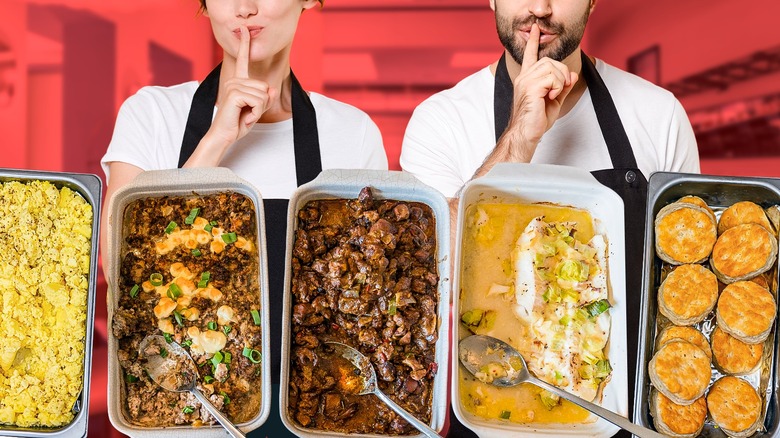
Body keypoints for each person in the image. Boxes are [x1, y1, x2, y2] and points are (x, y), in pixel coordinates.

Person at [400, 0, 698, 436]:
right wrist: (520, 134)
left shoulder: (658, 115)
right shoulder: (441, 122)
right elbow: (428, 276)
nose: (539, 8)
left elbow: (684, 286)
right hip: (487, 411)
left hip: (629, 418)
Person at [101, 0, 387, 435]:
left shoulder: (352, 132)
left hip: (313, 412)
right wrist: (217, 140)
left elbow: (365, 303)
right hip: (178, 408)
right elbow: (116, 267)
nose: (245, 8)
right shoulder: (152, 114)